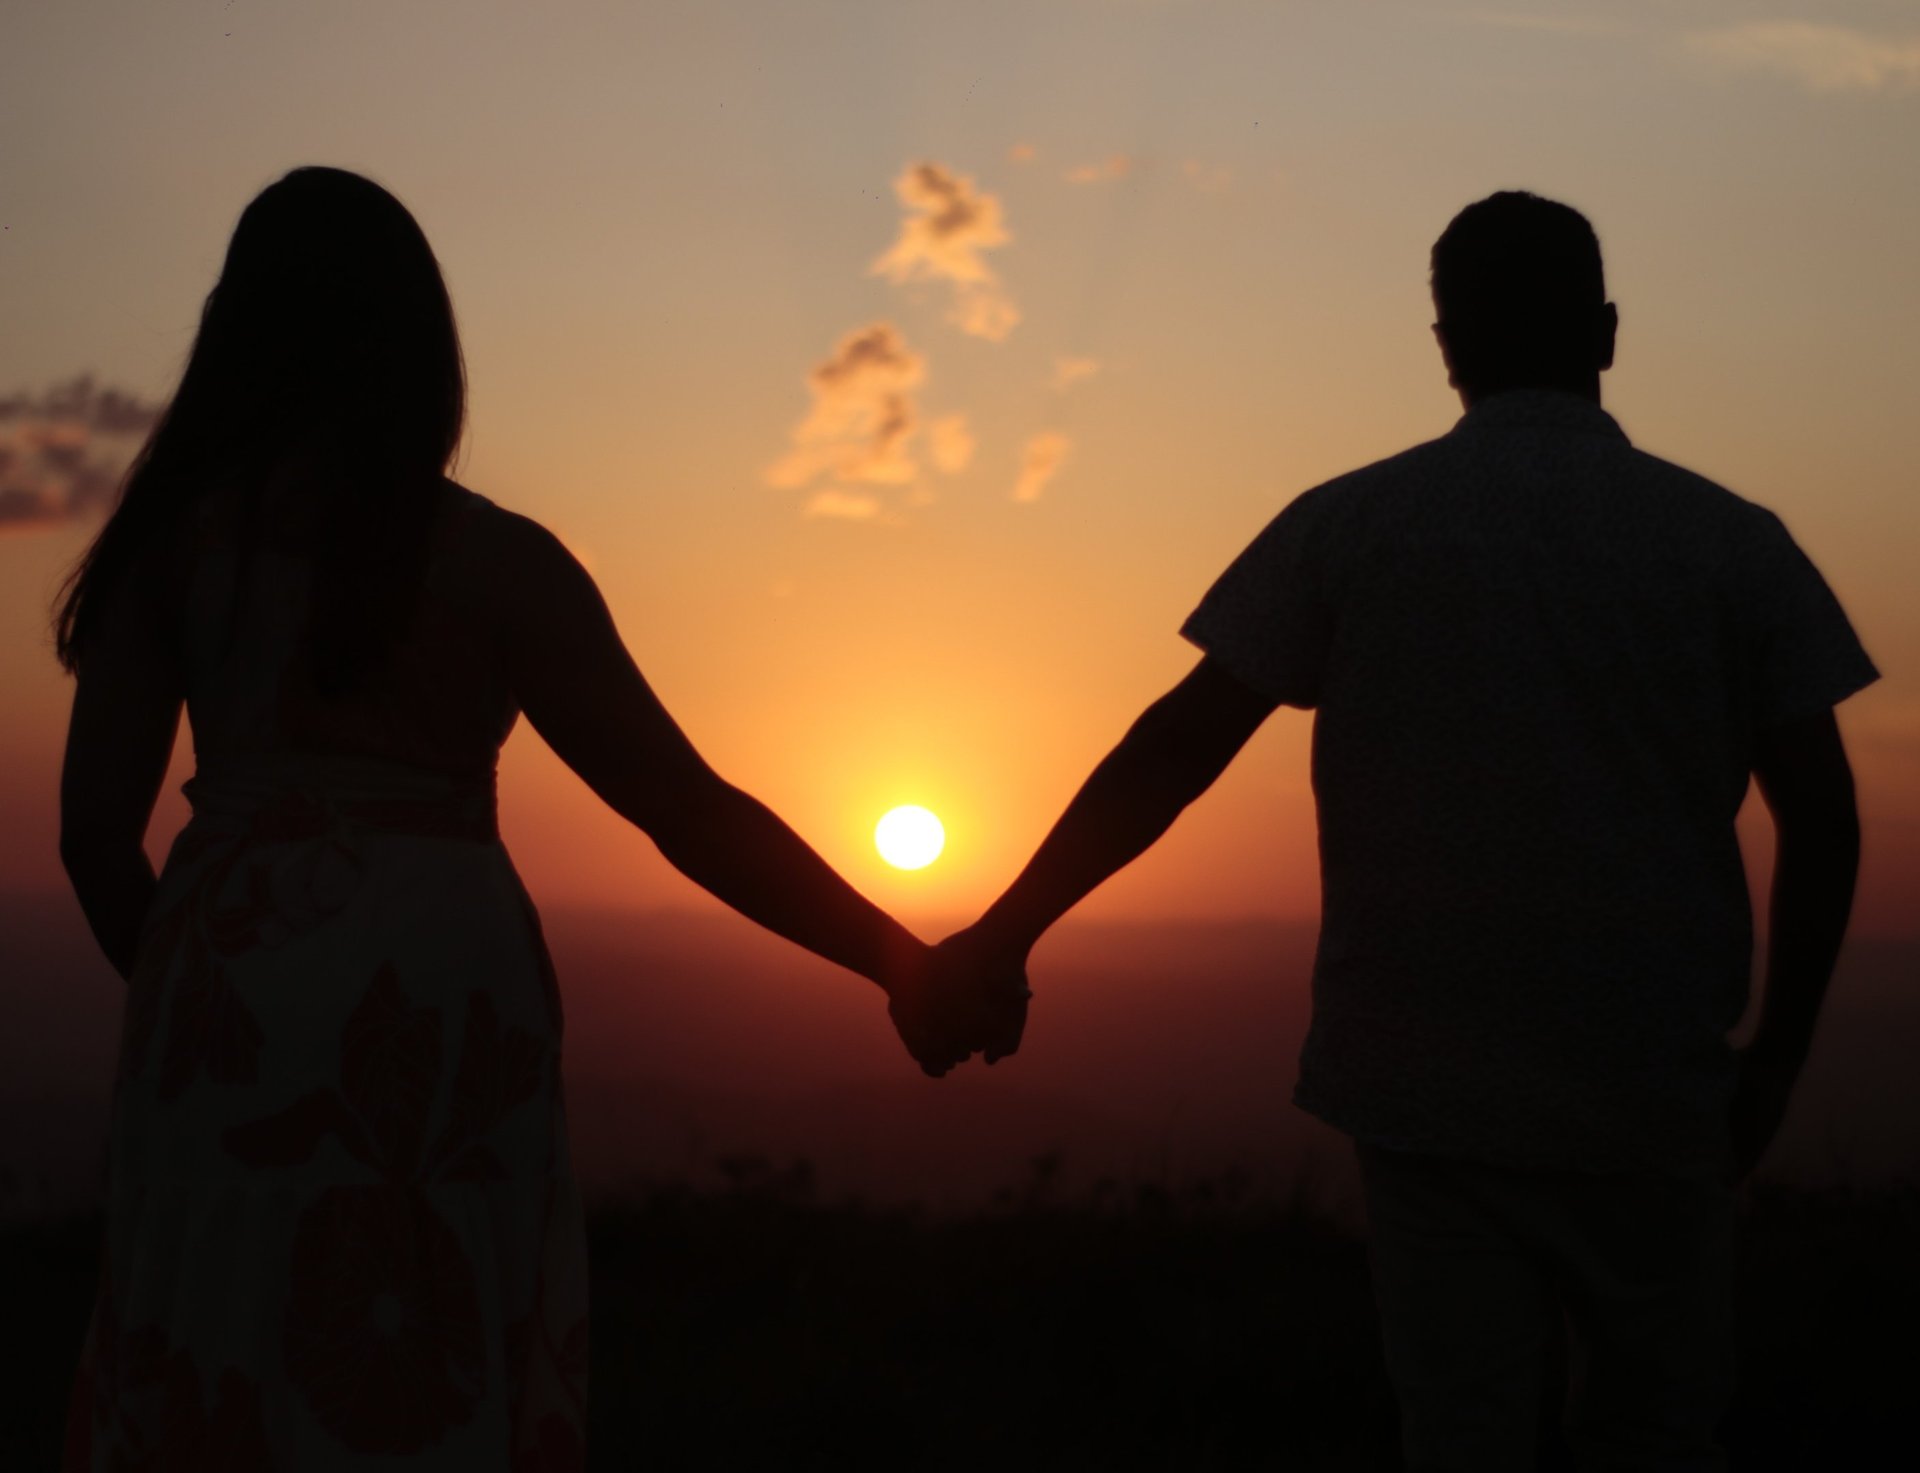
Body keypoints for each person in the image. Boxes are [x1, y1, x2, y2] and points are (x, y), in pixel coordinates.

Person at [53, 165, 989, 1471]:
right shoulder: (500, 564)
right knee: (427, 1348)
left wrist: (200, 994)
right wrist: (903, 961)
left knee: (225, 1345)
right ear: (421, 347)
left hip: (224, 977)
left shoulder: (173, 549)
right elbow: (685, 807)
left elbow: (95, 836)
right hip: (446, 993)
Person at [933, 191, 1878, 1470]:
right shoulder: (1731, 544)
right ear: (1606, 332)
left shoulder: (1354, 525)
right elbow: (1822, 817)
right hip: (1655, 1090)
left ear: (1447, 343)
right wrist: (1776, 1055)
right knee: (1658, 1434)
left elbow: (1180, 744)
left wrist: (1004, 931)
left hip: (1425, 1087)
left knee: (1464, 1437)